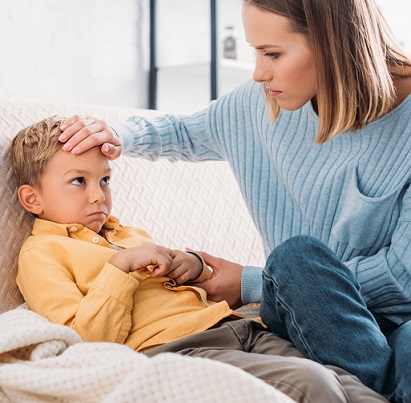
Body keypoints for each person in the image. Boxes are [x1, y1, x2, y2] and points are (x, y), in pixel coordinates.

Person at [56, 0, 411, 401]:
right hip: (307, 307)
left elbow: (402, 277)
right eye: (255, 52)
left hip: (395, 317)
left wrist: (249, 282)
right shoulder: (262, 101)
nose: (259, 72)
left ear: (333, 43)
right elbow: (185, 132)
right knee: (297, 260)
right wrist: (116, 135)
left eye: (272, 53)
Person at [10, 116, 388, 403]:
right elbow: (86, 340)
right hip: (184, 347)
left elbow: (194, 285)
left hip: (241, 328)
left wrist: (193, 265)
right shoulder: (43, 253)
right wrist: (120, 269)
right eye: (79, 181)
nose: (98, 196)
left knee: (345, 383)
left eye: (104, 180)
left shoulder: (127, 234)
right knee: (311, 383)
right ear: (32, 199)